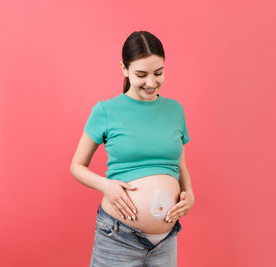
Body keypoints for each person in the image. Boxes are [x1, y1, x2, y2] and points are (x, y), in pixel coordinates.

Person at [69, 31, 195, 267]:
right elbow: (77, 166)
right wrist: (106, 185)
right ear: (124, 69)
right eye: (141, 74)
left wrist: (190, 195)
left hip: (166, 241)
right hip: (119, 238)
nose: (151, 82)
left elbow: (180, 164)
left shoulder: (174, 110)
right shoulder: (106, 111)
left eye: (158, 73)